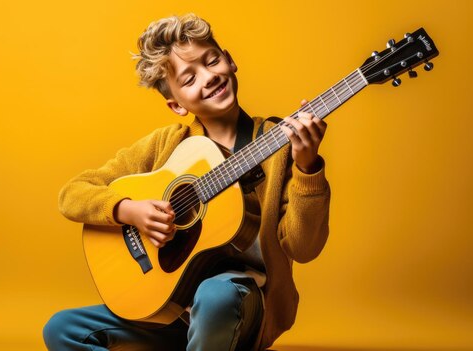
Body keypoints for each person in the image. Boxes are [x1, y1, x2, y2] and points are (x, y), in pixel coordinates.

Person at [43, 13, 330, 351]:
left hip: (237, 307)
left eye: (212, 61)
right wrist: (129, 210)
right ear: (176, 104)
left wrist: (308, 168)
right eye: (190, 78)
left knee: (215, 294)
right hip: (171, 311)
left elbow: (303, 248)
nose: (208, 78)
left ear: (230, 60)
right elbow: (71, 194)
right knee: (62, 329)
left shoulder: (278, 148)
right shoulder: (167, 145)